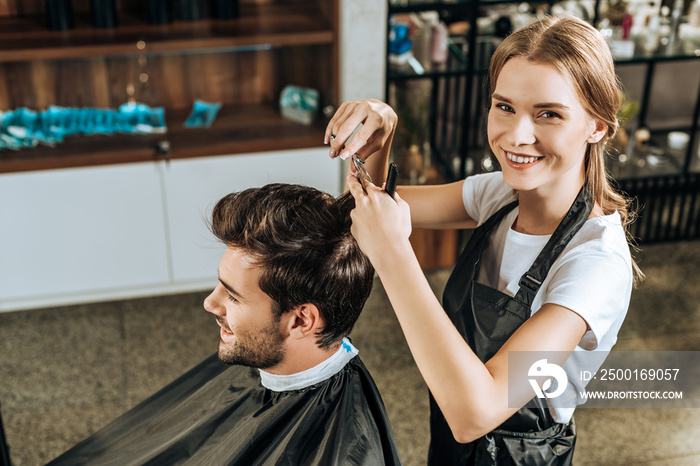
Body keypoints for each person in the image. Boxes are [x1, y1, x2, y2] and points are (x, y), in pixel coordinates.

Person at [324, 15, 642, 466]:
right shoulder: (498, 196)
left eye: (549, 114)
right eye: (505, 107)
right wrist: (380, 139)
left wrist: (394, 254)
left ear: (597, 127)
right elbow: (365, 211)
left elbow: (478, 411)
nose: (517, 136)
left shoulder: (594, 264)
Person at [49, 184, 402, 466]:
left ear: (300, 320)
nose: (209, 303)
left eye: (232, 296)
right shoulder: (266, 356)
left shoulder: (342, 449)